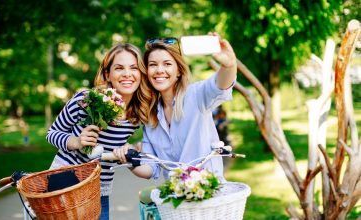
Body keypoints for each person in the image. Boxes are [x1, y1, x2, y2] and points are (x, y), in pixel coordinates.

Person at [46, 43, 153, 220]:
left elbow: (137, 148)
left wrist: (130, 149)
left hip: (98, 191)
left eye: (133, 68)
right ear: (107, 74)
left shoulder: (138, 113)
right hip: (64, 184)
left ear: (141, 74)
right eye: (119, 68)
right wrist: (77, 142)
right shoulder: (86, 101)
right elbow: (52, 133)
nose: (127, 73)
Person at [114, 33, 237, 182]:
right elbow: (150, 168)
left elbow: (220, 85)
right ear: (147, 72)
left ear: (178, 71)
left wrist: (228, 65)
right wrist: (128, 159)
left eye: (167, 64)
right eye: (153, 65)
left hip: (209, 195)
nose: (159, 70)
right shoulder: (151, 117)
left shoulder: (196, 95)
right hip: (176, 199)